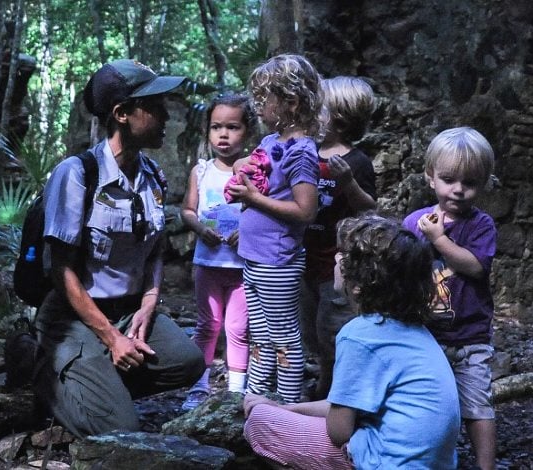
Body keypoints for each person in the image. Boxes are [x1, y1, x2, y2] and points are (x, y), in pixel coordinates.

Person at [32, 59, 205, 437]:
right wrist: (111, 337)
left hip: (129, 311)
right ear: (122, 113)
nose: (165, 117)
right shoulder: (77, 174)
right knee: (119, 428)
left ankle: (95, 384)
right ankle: (47, 376)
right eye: (154, 107)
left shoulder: (151, 175)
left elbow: (156, 249)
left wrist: (149, 301)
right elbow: (60, 271)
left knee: (189, 363)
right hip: (75, 319)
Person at [243, 215, 461, 470]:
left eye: (341, 256)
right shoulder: (412, 329)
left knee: (259, 421)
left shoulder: (359, 335)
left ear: (358, 285)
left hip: (386, 462)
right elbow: (346, 404)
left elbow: (338, 430)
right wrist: (287, 408)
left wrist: (274, 412)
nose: (335, 260)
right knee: (275, 413)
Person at [225, 54, 321, 403]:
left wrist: (253, 198)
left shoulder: (301, 152)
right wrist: (242, 171)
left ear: (291, 103)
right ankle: (256, 396)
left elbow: (305, 209)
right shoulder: (271, 143)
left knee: (285, 337)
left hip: (277, 261)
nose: (258, 108)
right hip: (254, 257)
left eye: (265, 100)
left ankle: (289, 404)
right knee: (261, 334)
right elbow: (260, 180)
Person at [402, 127, 498, 470]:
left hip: (470, 337)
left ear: (484, 182)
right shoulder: (415, 223)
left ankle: (486, 466)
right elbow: (403, 270)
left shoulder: (481, 225)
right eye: (448, 179)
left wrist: (440, 241)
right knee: (429, 404)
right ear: (431, 178)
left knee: (476, 405)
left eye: (469, 181)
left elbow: (475, 267)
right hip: (427, 336)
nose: (458, 189)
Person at [300, 76, 377, 400]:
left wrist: (348, 182)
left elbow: (369, 208)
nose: (313, 113)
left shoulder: (356, 162)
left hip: (335, 264)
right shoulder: (305, 152)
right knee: (308, 327)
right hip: (302, 258)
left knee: (334, 328)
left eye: (321, 109)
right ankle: (318, 378)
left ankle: (333, 390)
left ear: (341, 119)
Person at [179, 94, 255, 410]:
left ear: (248, 131)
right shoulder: (202, 171)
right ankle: (198, 386)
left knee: (238, 327)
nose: (223, 135)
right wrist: (199, 229)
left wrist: (248, 230)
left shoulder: (255, 170)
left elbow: (262, 209)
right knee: (208, 324)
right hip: (208, 261)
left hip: (242, 265)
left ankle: (237, 391)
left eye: (232, 127)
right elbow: (187, 209)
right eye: (216, 127)